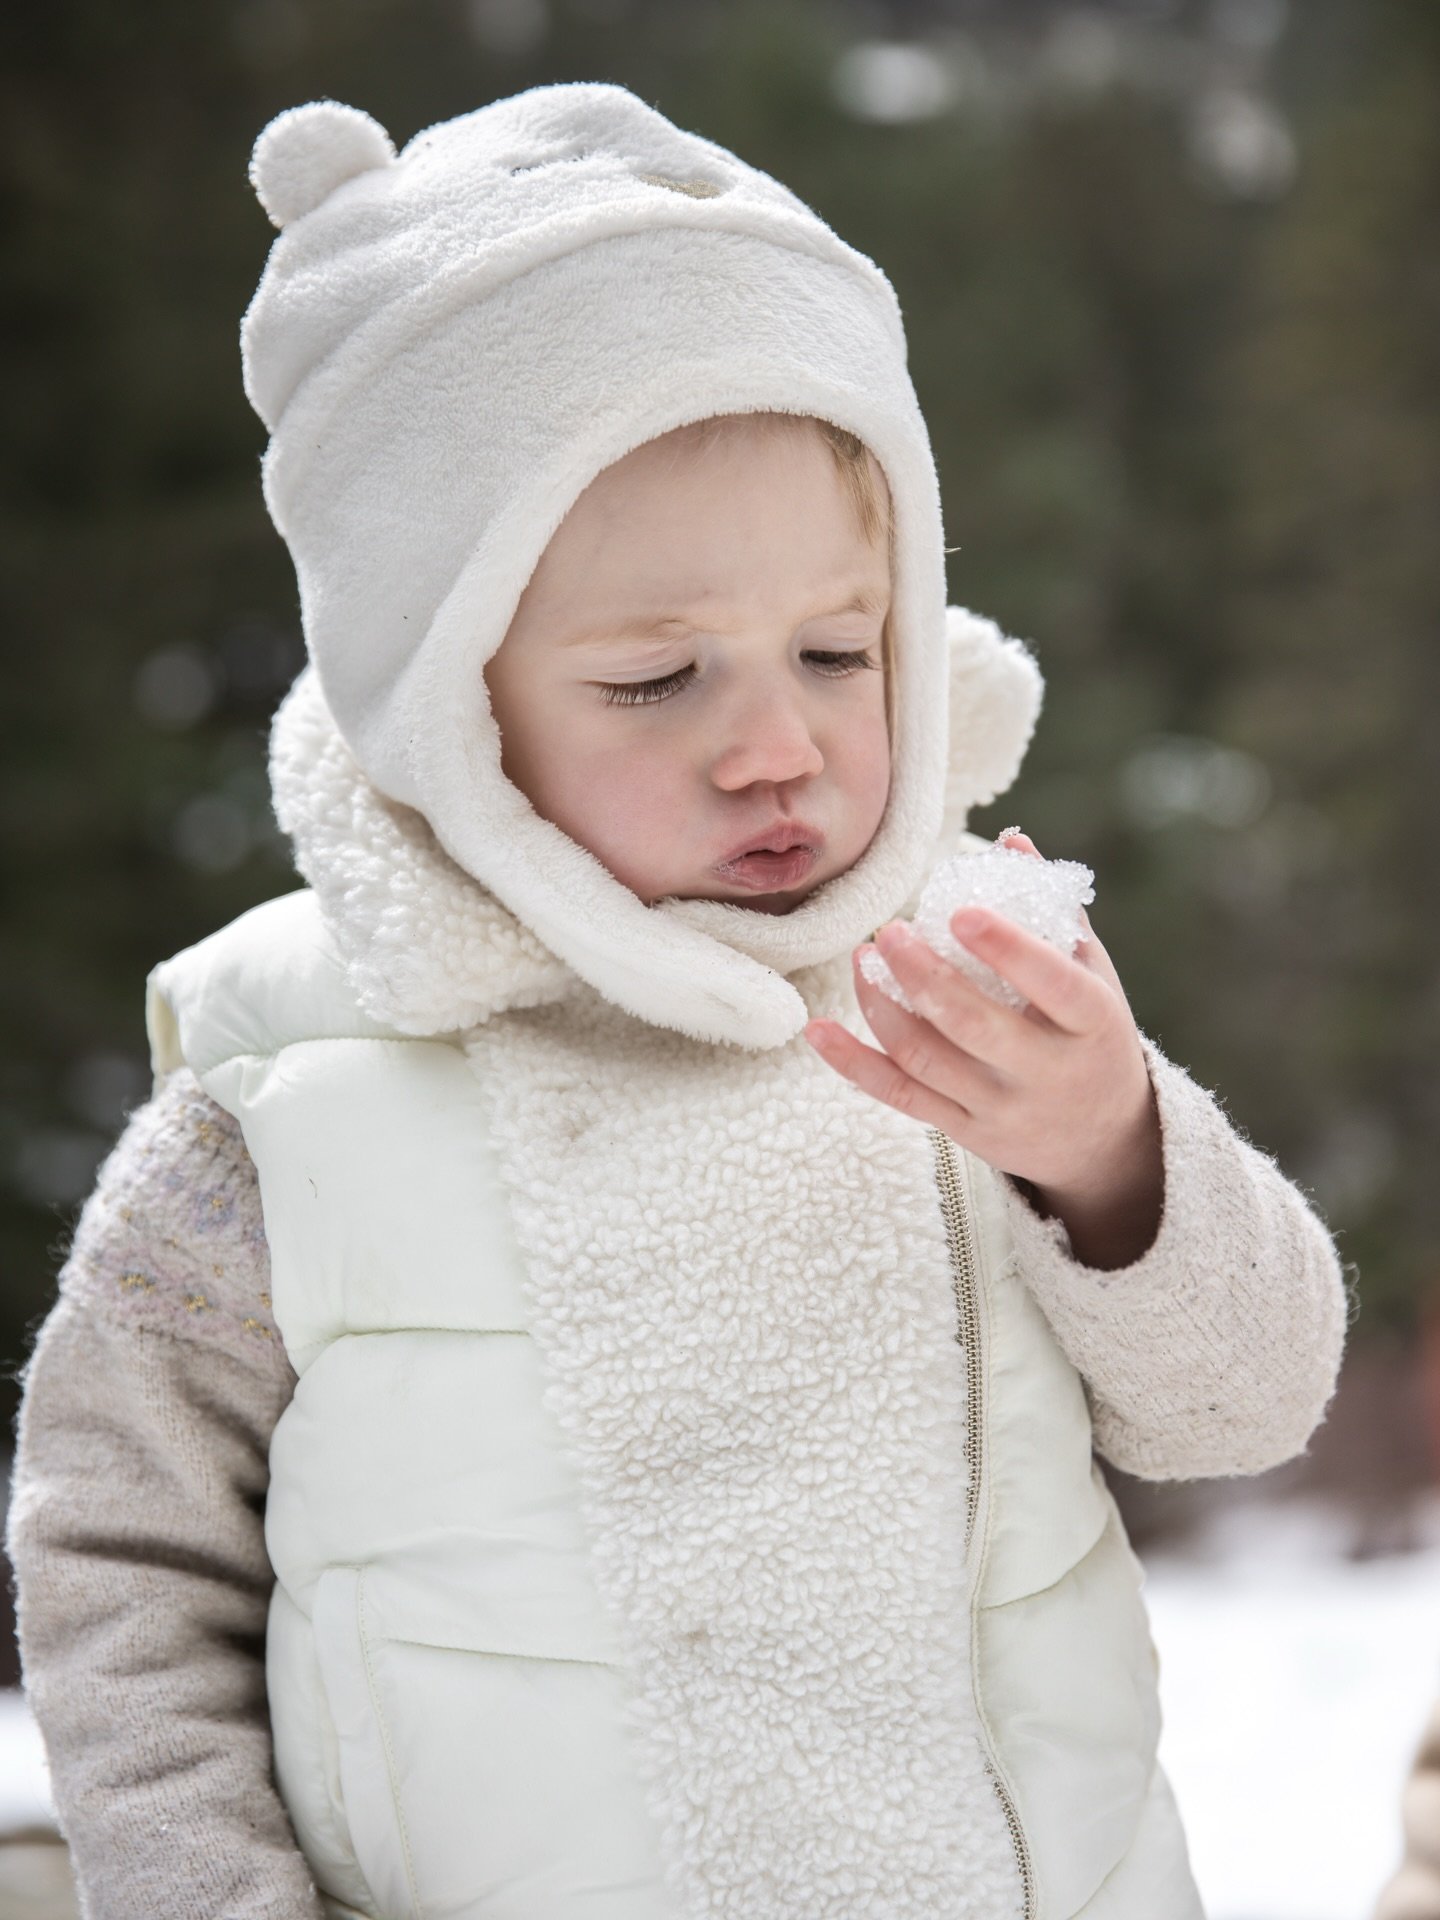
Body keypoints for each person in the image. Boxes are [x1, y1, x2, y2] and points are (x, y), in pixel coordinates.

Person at [5, 83, 1349, 1920]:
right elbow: (121, 1569)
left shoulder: (974, 1002)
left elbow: (1248, 1407)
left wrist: (1111, 1158)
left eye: (834, 652)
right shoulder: (282, 1111)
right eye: (655, 681)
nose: (777, 746)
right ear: (444, 705)